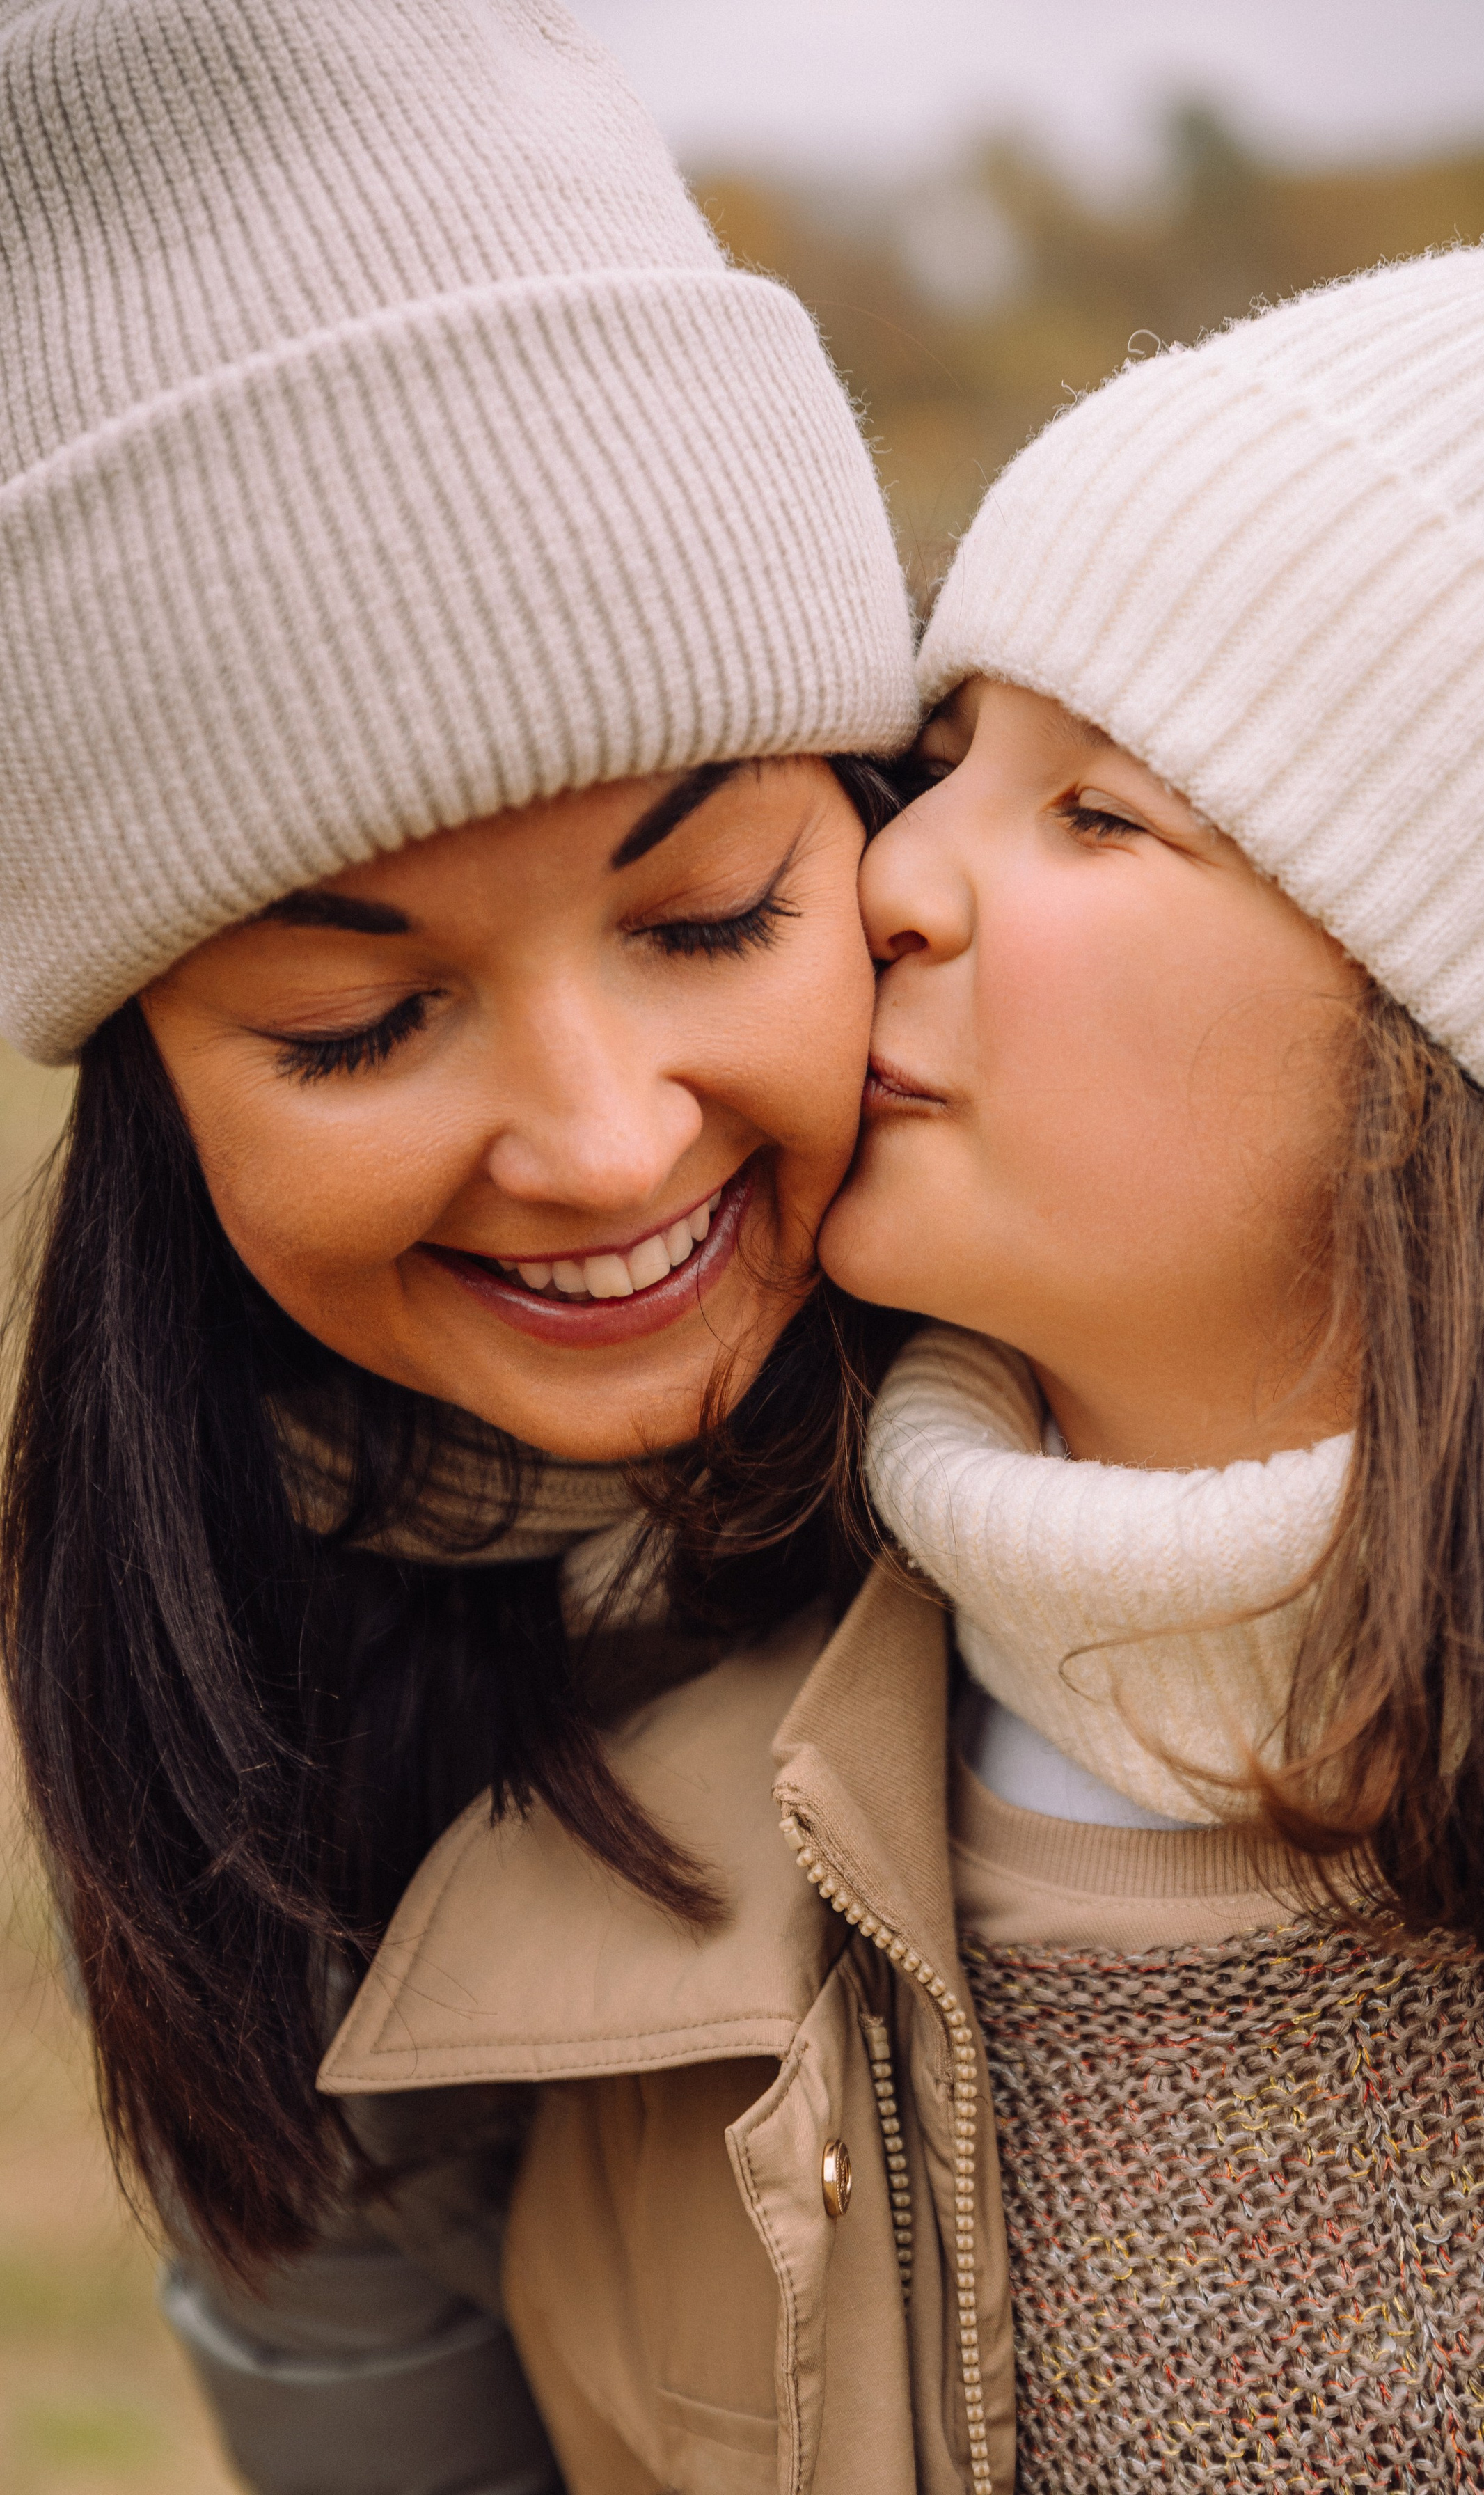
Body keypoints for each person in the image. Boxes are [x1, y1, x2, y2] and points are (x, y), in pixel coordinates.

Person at [332, 230, 1484, 2494]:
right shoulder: (630, 1881)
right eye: (944, 760)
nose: (896, 879)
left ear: (1479, 1045)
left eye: (1100, 811)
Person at [0, 3, 915, 2490]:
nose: (609, 1147)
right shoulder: (231, 1673)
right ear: (152, 1091)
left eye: (713, 915)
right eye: (359, 1020)